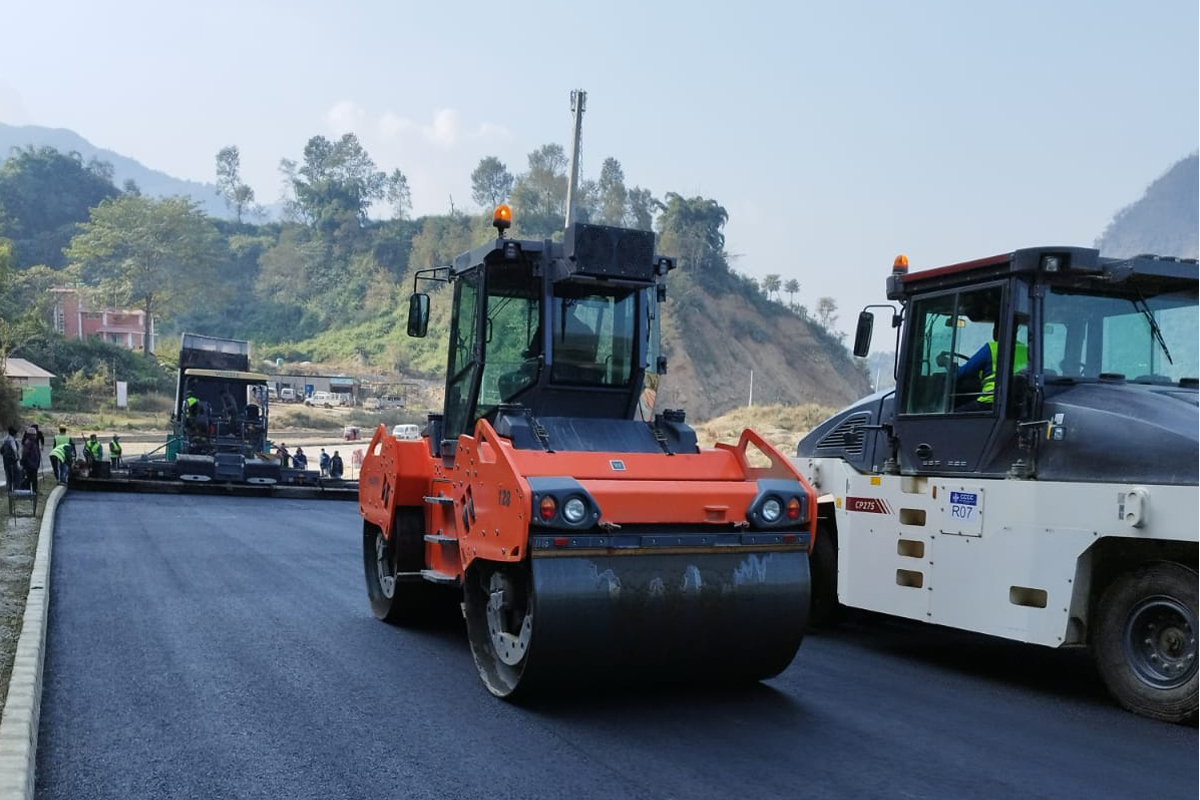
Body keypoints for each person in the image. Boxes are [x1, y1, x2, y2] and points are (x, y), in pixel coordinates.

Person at [953, 321, 1028, 410]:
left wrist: (949, 369)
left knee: (953, 414)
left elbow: (964, 372)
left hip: (991, 402)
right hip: (1016, 403)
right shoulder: (1025, 350)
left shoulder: (992, 348)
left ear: (996, 331)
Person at [20, 428, 41, 493]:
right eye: (33, 435)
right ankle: (29, 492)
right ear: (29, 435)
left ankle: (34, 491)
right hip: (30, 465)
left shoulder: (33, 443)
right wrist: (23, 462)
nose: (35, 436)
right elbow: (25, 454)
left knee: (33, 479)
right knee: (30, 479)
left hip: (34, 464)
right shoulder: (28, 443)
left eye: (35, 435)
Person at [1, 426, 20, 491]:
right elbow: (15, 450)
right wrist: (17, 458)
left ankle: (8, 490)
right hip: (12, 462)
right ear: (14, 434)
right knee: (15, 475)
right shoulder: (12, 440)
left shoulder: (4, 439)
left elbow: (1, 450)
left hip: (6, 461)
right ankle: (15, 490)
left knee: (8, 476)